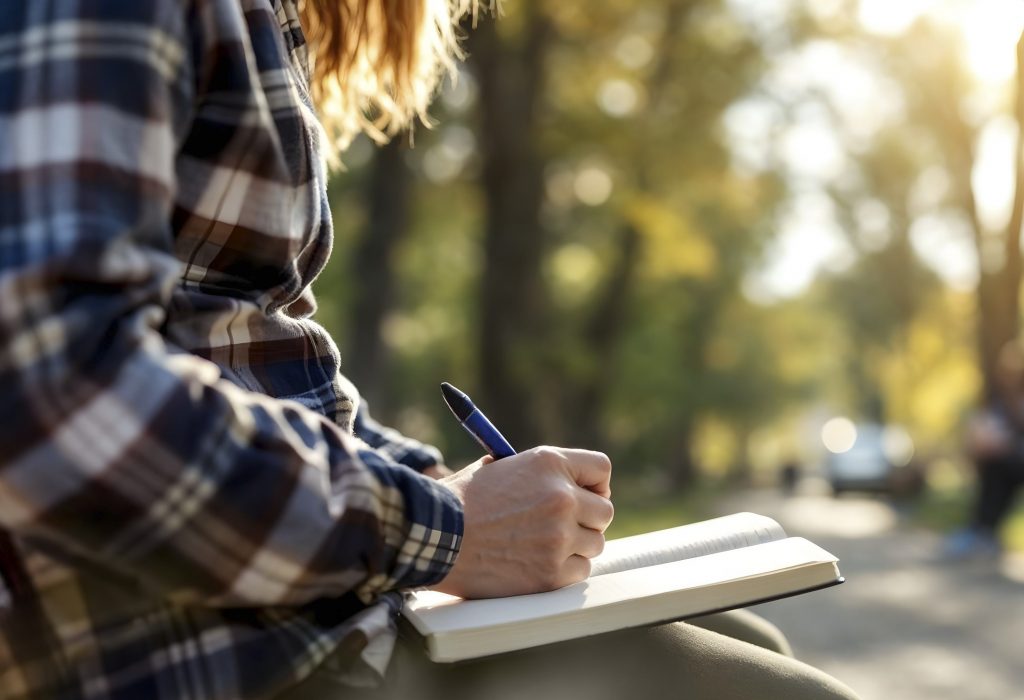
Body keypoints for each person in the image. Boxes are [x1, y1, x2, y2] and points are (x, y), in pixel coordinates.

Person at [0, 1, 859, 698]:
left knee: (748, 636)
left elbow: (248, 364)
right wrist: (449, 528)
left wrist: (455, 488)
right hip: (211, 657)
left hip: (285, 620)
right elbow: (50, 394)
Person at [944, 341, 1024, 560]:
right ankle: (982, 531)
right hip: (1007, 461)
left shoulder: (1015, 403)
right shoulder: (997, 402)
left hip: (1014, 460)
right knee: (995, 468)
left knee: (999, 468)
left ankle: (983, 530)